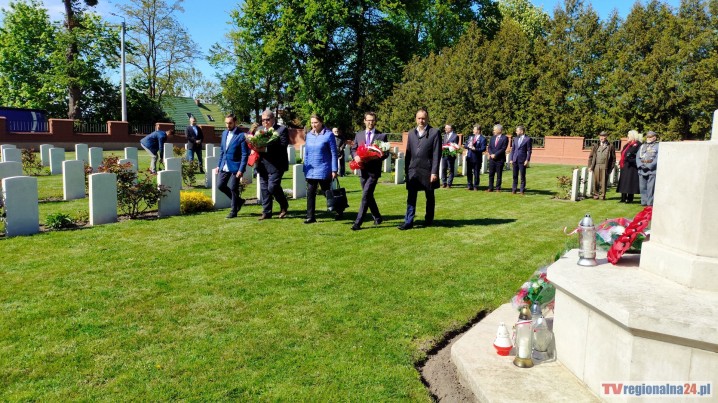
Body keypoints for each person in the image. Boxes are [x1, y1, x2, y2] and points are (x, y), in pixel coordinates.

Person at [398, 108, 441, 230]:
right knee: (411, 196)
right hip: (413, 170)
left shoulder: (434, 132)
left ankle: (428, 219)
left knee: (429, 196)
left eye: (423, 118)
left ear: (427, 119)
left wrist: (434, 172)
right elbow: (408, 153)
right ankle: (408, 221)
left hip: (428, 170)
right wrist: (407, 170)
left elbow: (437, 154)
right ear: (416, 119)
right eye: (419, 118)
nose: (421, 121)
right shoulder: (411, 133)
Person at [350, 111, 387, 231]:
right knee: (369, 195)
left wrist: (376, 156)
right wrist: (355, 156)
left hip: (373, 171)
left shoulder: (381, 136)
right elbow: (353, 149)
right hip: (362, 170)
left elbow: (385, 153)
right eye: (368, 120)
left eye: (372, 120)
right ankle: (377, 217)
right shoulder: (359, 135)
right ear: (364, 121)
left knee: (365, 195)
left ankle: (358, 222)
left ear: (375, 121)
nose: (370, 122)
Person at [303, 114, 338, 224]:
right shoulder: (309, 135)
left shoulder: (329, 135)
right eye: (312, 123)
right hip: (311, 170)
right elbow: (306, 153)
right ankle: (310, 217)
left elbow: (334, 153)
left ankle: (338, 209)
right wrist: (305, 168)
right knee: (310, 192)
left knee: (326, 191)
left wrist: (334, 170)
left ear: (321, 122)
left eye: (316, 122)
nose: (313, 125)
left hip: (323, 168)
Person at [256, 109, 290, 220]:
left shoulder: (281, 129)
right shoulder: (259, 130)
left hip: (277, 164)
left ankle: (284, 204)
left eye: (267, 119)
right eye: (263, 120)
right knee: (264, 189)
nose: (265, 122)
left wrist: (265, 148)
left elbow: (283, 146)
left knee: (272, 187)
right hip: (262, 164)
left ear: (273, 119)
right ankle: (266, 212)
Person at [216, 113, 250, 218]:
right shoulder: (224, 133)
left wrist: (241, 169)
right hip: (224, 165)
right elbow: (222, 151)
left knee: (234, 187)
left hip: (236, 166)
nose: (228, 125)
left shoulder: (241, 135)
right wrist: (218, 165)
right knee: (220, 185)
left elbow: (244, 154)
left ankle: (233, 211)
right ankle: (239, 201)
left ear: (235, 122)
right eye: (226, 123)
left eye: (230, 123)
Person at [588, 131, 616, 200]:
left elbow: (613, 158)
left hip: (605, 166)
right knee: (596, 181)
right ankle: (595, 195)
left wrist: (611, 168)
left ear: (606, 137)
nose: (601, 138)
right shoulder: (596, 146)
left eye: (603, 136)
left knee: (603, 182)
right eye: (600, 136)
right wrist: (590, 166)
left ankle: (602, 196)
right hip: (596, 166)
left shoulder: (610, 146)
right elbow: (591, 157)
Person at [616, 130, 641, 203]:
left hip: (632, 166)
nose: (627, 137)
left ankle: (630, 198)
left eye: (628, 135)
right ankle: (623, 197)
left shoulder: (638, 144)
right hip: (625, 165)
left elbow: (638, 155)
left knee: (630, 182)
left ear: (633, 136)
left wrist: (631, 159)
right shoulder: (627, 145)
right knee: (623, 182)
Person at [636, 131, 659, 206]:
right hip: (642, 168)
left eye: (650, 137)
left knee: (650, 188)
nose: (648, 138)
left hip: (651, 170)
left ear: (654, 138)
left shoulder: (658, 146)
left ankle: (650, 203)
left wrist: (650, 166)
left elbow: (657, 158)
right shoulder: (642, 146)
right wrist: (640, 165)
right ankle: (644, 202)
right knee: (642, 187)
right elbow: (637, 157)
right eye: (647, 137)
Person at [509, 125, 532, 194]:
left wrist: (527, 160)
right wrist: (511, 159)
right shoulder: (515, 139)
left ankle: (522, 190)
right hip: (515, 159)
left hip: (522, 160)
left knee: (522, 176)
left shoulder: (528, 139)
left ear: (521, 131)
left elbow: (529, 151)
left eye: (517, 131)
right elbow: (513, 150)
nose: (516, 132)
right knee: (514, 176)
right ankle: (514, 189)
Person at [486, 124, 508, 192]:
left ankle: (498, 188)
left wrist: (495, 154)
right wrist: (491, 154)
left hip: (499, 159)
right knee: (491, 174)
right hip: (492, 159)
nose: (494, 131)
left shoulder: (504, 138)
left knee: (499, 174)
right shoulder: (492, 138)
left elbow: (503, 148)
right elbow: (489, 147)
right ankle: (490, 187)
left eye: (495, 130)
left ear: (499, 130)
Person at [464, 125, 486, 191]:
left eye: (474, 129)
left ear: (478, 131)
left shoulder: (483, 139)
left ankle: (476, 185)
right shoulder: (471, 137)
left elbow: (483, 148)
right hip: (469, 157)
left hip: (477, 158)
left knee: (476, 173)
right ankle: (469, 185)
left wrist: (475, 149)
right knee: (469, 172)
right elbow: (465, 145)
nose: (473, 130)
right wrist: (468, 146)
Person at [440, 124, 459, 188]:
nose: (445, 129)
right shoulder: (445, 135)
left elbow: (455, 146)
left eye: (446, 128)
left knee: (450, 169)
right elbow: (443, 143)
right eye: (445, 128)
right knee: (443, 169)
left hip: (451, 155)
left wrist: (449, 146)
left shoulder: (455, 136)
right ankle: (444, 182)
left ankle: (449, 183)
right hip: (444, 154)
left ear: (451, 129)